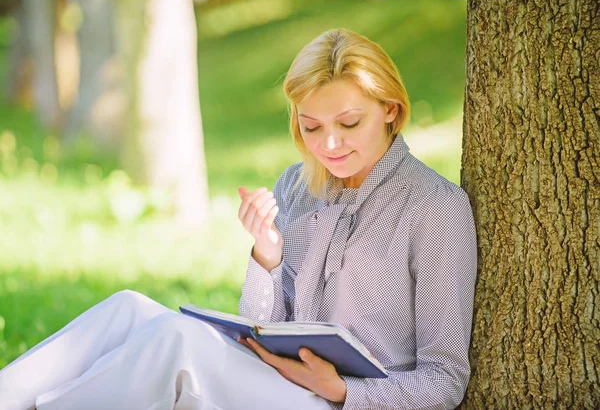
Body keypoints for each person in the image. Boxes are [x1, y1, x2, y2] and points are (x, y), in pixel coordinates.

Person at [0, 28, 477, 410]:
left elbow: (445, 380)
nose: (329, 145)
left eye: (349, 124)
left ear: (390, 111)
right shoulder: (298, 185)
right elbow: (262, 326)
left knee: (176, 340)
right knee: (128, 308)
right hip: (276, 382)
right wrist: (266, 254)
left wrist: (343, 390)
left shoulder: (436, 207)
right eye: (312, 127)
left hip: (340, 403)